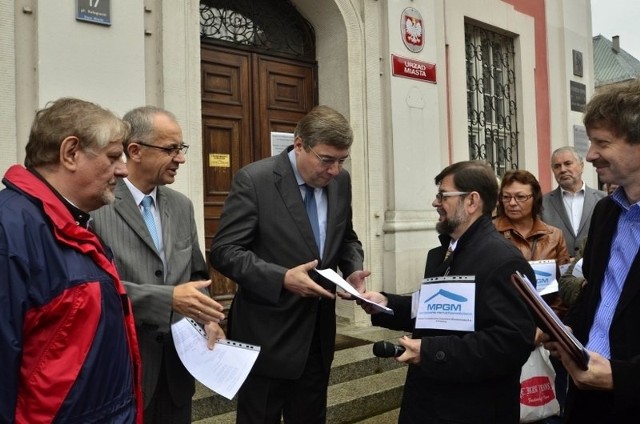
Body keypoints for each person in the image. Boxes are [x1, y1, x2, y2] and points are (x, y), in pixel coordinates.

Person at [209, 105, 369, 423]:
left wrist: (352, 268)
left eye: (342, 160)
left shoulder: (341, 182)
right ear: (299, 145)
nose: (335, 170)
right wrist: (281, 277)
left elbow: (346, 237)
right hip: (266, 335)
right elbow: (224, 251)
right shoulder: (255, 180)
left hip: (318, 337)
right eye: (327, 160)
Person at [356, 161, 536, 424]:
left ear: (472, 201)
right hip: (430, 403)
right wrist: (385, 304)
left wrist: (429, 352)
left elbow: (509, 344)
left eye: (443, 195)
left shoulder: (503, 260)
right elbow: (436, 311)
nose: (435, 202)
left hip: (472, 410)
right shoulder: (444, 252)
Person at [0, 98, 143, 422]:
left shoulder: (73, 223)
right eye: (112, 157)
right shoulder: (10, 231)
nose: (123, 169)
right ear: (70, 153)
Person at [91, 106, 225, 423]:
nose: (181, 158)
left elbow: (196, 275)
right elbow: (94, 288)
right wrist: (167, 300)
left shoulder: (181, 205)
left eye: (181, 148)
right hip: (123, 371)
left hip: (178, 373)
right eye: (171, 149)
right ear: (134, 150)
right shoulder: (97, 205)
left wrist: (208, 317)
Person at [543, 79, 640, 422]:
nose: (590, 155)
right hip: (588, 398)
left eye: (602, 143)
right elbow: (597, 293)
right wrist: (567, 331)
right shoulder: (606, 212)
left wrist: (621, 378)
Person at [493, 169, 571, 422]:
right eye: (506, 197)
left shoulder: (554, 235)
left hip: (545, 334)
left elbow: (562, 290)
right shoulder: (490, 233)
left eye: (520, 197)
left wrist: (544, 328)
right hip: (501, 333)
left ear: (535, 198)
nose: (512, 203)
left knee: (548, 407)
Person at [542, 146, 605, 256]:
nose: (562, 170)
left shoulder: (603, 200)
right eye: (557, 166)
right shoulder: (542, 204)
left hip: (595, 269)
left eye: (568, 163)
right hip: (559, 270)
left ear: (581, 166)